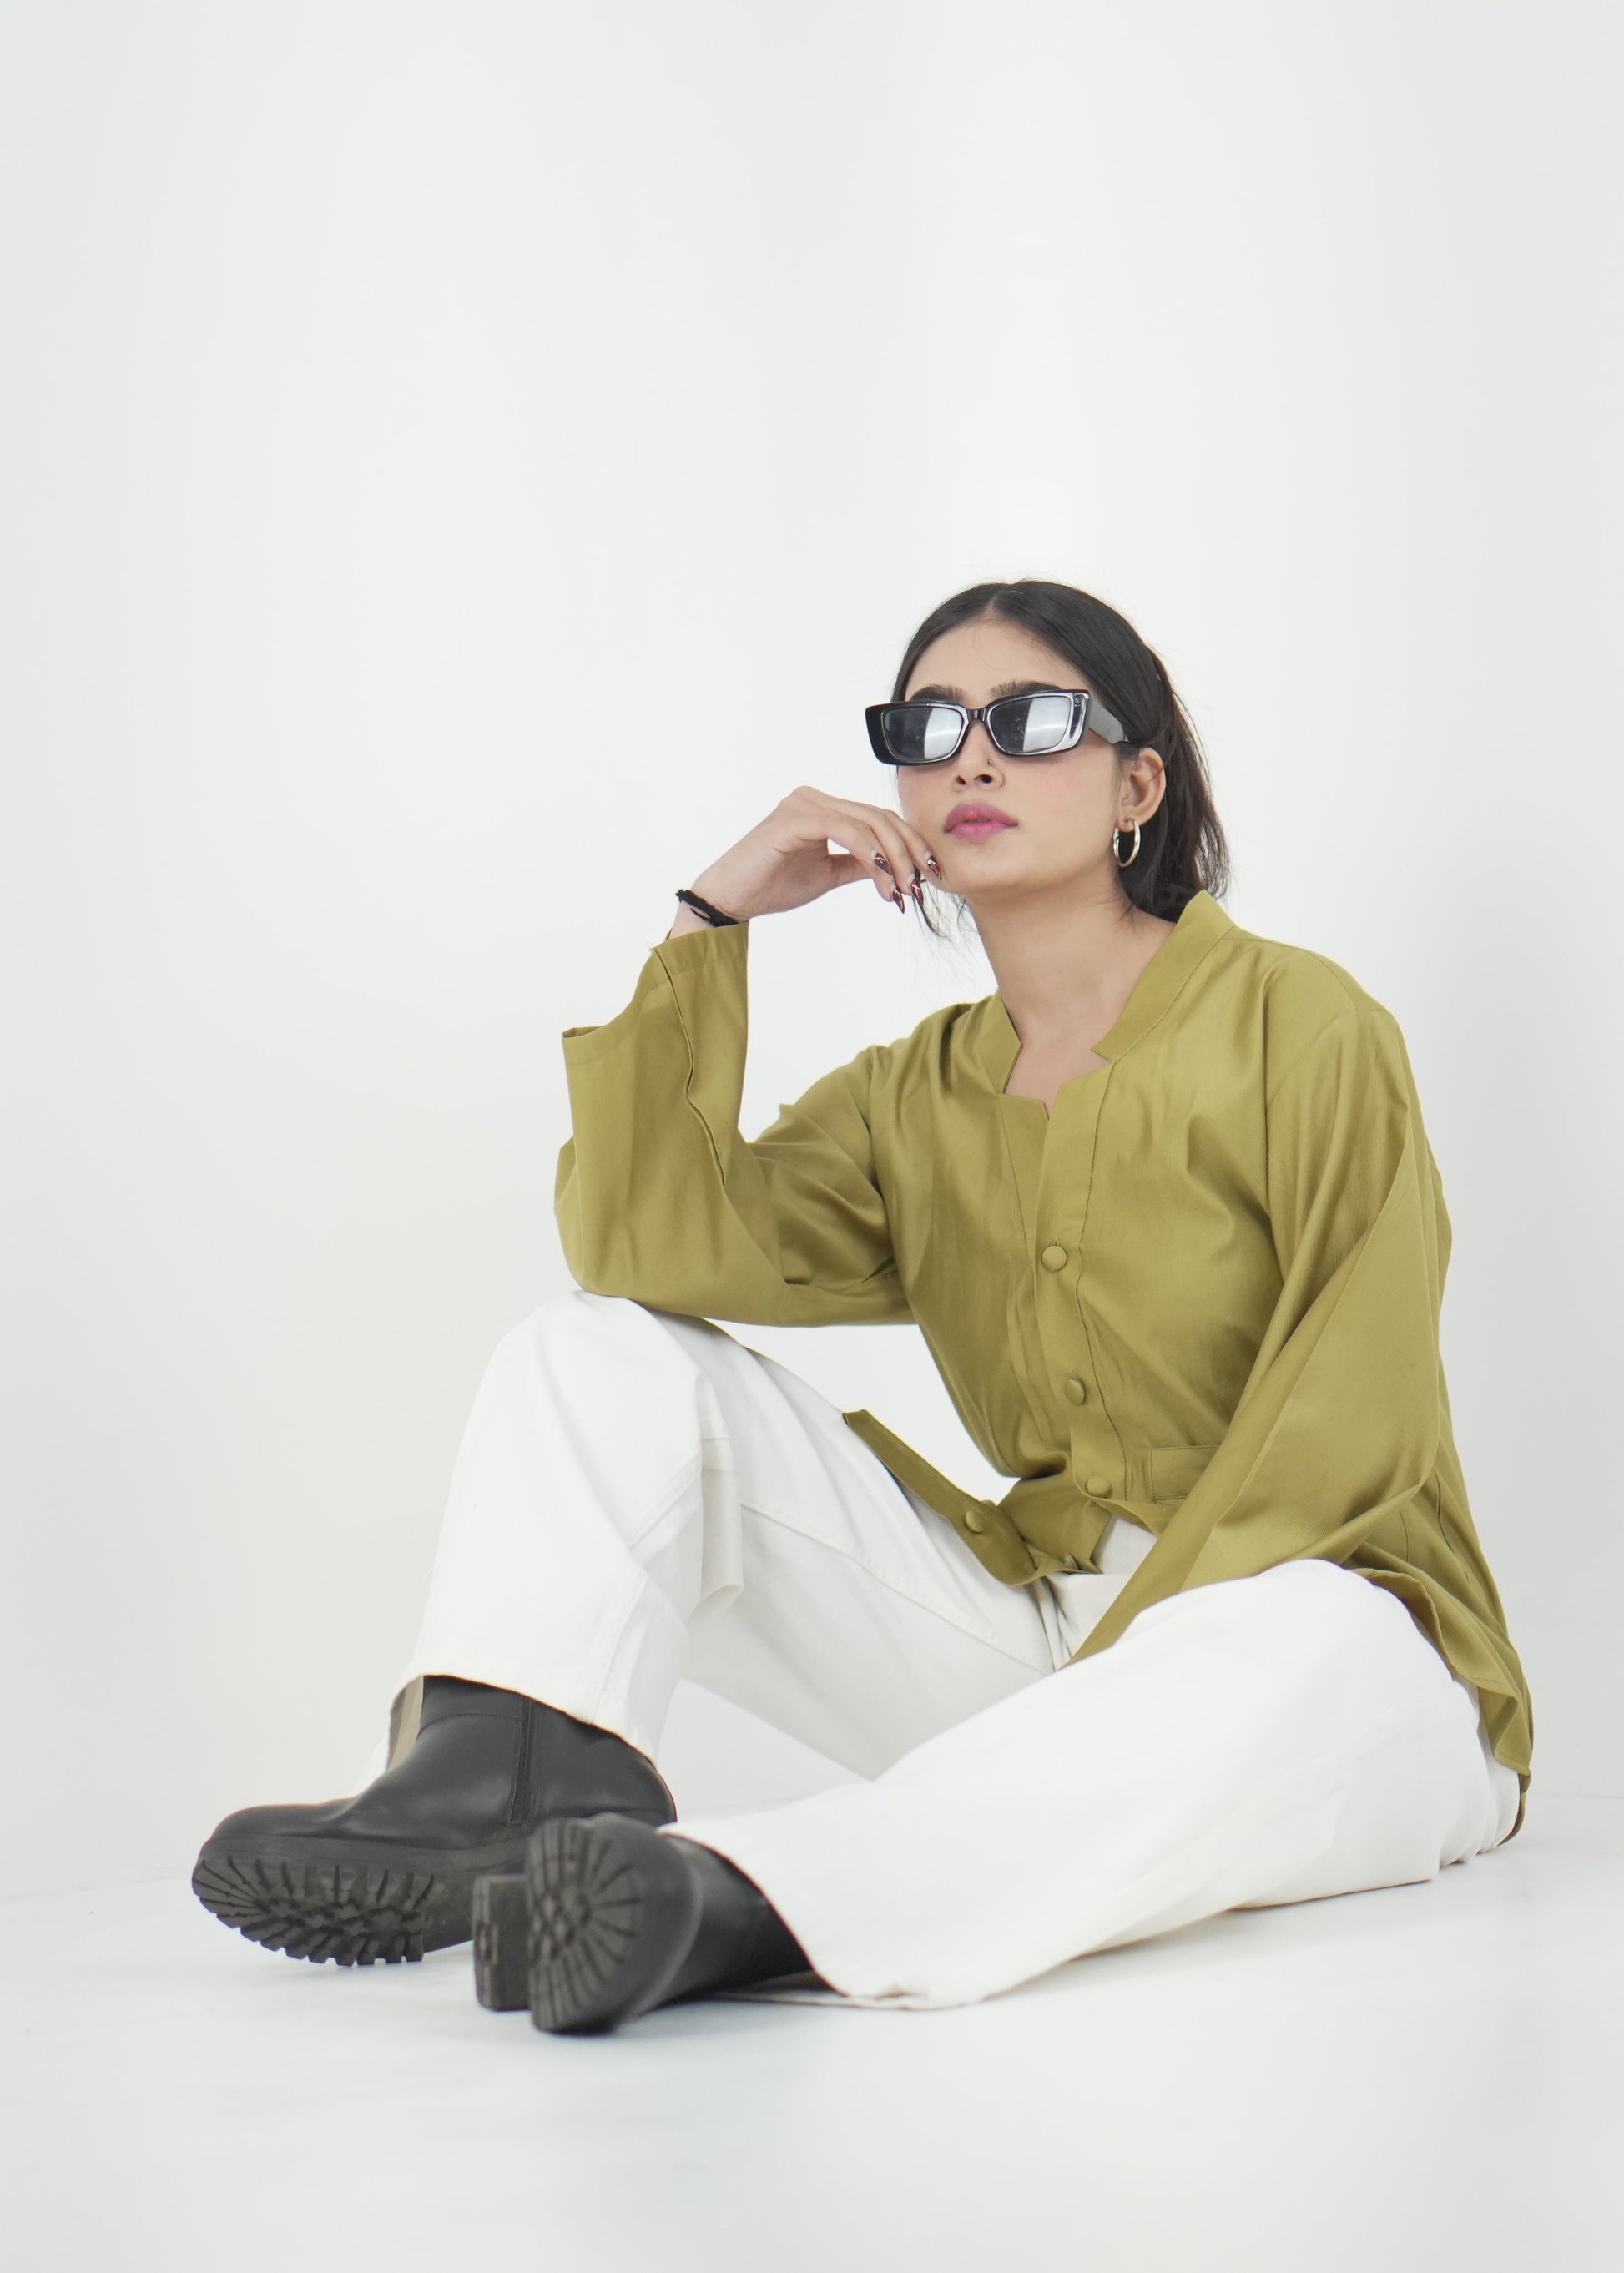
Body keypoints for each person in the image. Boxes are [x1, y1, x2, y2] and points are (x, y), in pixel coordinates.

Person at [193, 579, 1531, 2034]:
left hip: (1326, 1663)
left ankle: (728, 1906)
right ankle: (509, 1774)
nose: (972, 758)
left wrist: (1146, 1674)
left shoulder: (1298, 1024)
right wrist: (711, 918)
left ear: (1136, 786)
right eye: (928, 727)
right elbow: (641, 1243)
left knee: (1305, 1637)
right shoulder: (915, 1095)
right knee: (596, 1351)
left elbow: (1353, 1406)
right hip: (1047, 1651)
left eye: (1029, 720)